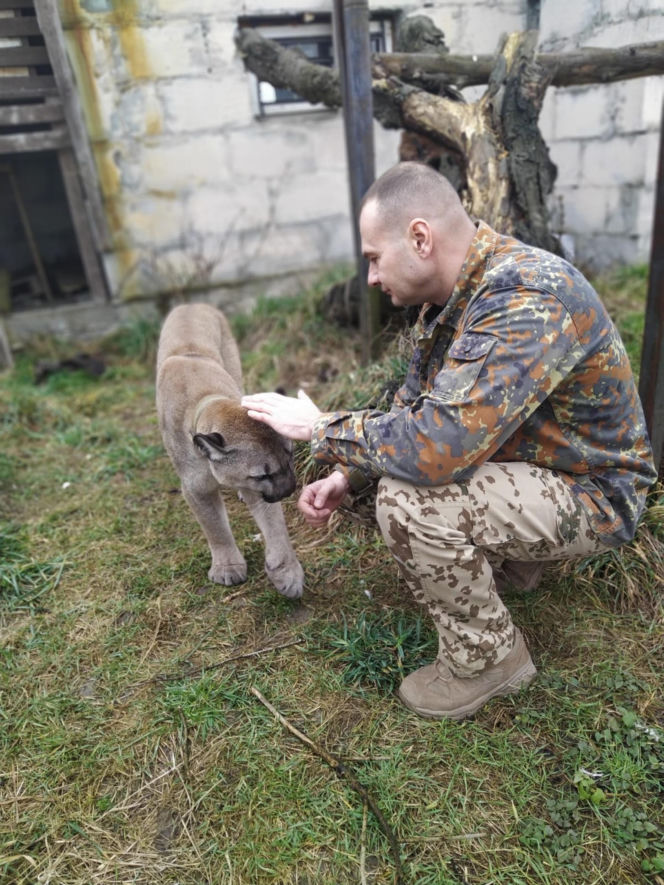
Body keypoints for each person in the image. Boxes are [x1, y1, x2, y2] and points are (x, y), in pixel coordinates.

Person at [241, 161, 657, 721]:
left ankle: (487, 659)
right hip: (536, 464)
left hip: (596, 493)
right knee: (384, 478)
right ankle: (512, 568)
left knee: (410, 500)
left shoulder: (524, 297)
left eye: (372, 258)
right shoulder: (450, 301)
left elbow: (439, 447)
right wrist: (349, 474)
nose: (369, 278)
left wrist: (321, 429)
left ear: (419, 238)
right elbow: (414, 411)